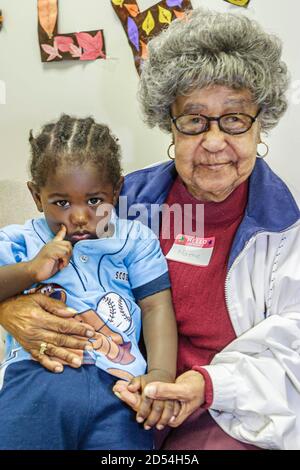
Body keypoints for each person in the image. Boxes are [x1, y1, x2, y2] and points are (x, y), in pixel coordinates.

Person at [0, 7, 299, 451]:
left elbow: (290, 354)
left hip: (224, 412)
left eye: (235, 119)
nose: (214, 142)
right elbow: (52, 264)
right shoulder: (123, 202)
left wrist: (206, 386)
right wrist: (8, 310)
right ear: (169, 124)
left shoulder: (284, 229)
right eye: (194, 120)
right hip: (116, 395)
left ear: (260, 125)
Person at [0, 114, 178, 450]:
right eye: (61, 202)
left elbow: (155, 306)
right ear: (37, 196)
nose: (79, 216)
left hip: (122, 388)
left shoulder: (135, 239)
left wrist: (161, 375)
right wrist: (31, 270)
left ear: (117, 190)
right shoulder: (21, 241)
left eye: (95, 201)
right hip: (38, 378)